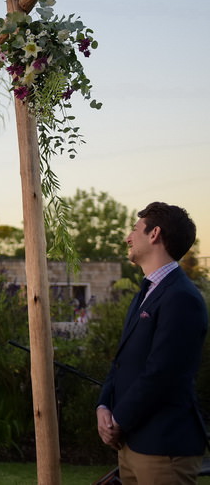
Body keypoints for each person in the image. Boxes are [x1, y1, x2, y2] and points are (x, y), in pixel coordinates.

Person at [96, 202, 207, 484]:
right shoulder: (146, 291)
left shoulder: (182, 298)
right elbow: (121, 360)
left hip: (163, 449)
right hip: (131, 445)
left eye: (134, 230)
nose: (128, 237)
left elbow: (163, 373)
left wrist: (118, 420)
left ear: (154, 233)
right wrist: (103, 407)